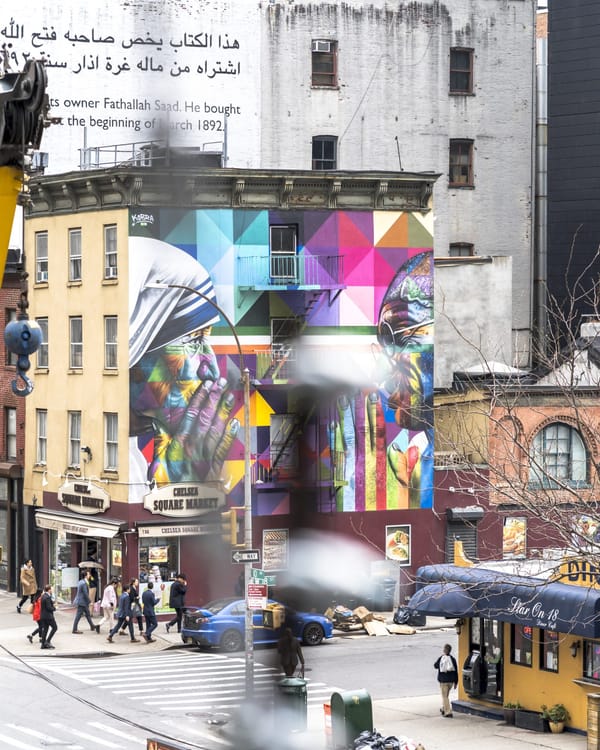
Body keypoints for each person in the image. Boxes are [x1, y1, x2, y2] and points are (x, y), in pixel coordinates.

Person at [434, 643, 458, 718]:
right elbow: (455, 670)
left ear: (444, 650)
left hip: (443, 681)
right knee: (446, 696)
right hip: (451, 682)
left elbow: (435, 665)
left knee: (444, 697)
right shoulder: (453, 659)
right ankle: (443, 708)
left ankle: (448, 712)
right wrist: (456, 682)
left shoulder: (441, 658)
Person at [72, 569, 99, 634]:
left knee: (87, 614)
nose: (89, 575)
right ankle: (74, 629)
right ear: (86, 575)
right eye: (88, 574)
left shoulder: (81, 581)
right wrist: (90, 602)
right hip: (82, 602)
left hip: (82, 601)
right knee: (78, 616)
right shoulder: (84, 583)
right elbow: (85, 594)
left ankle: (92, 626)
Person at [39, 584, 57, 650]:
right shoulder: (47, 597)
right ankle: (48, 641)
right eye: (51, 589)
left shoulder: (43, 596)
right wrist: (54, 608)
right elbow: (49, 608)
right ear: (49, 590)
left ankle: (43, 644)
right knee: (55, 627)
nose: (52, 590)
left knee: (45, 630)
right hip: (48, 616)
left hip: (43, 616)